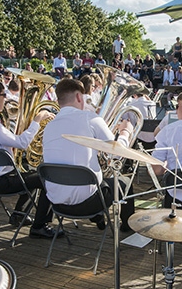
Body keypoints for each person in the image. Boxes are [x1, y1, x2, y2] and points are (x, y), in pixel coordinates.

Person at [42, 78, 136, 231]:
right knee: (125, 182)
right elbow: (117, 155)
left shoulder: (48, 126)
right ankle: (127, 227)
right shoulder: (90, 118)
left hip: (56, 202)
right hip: (88, 202)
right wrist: (126, 132)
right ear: (80, 97)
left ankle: (98, 217)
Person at [0, 79, 58, 237]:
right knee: (47, 179)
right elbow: (22, 143)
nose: (6, 98)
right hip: (1, 181)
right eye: (3, 95)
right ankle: (40, 226)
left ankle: (19, 215)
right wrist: (37, 120)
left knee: (32, 171)